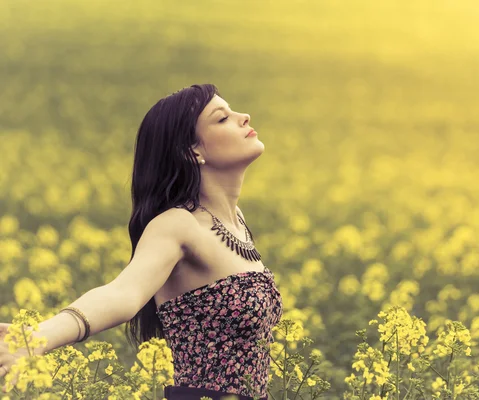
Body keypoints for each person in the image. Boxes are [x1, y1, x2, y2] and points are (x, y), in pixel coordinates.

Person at [0, 84, 283, 400]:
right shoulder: (178, 224)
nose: (244, 117)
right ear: (192, 151)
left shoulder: (238, 222)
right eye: (222, 118)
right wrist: (38, 337)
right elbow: (122, 292)